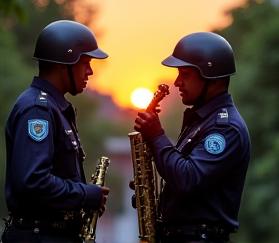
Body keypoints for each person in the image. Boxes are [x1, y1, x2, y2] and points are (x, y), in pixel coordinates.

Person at [134, 32, 251, 243]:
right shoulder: (201, 120)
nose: (177, 82)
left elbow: (188, 179)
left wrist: (156, 135)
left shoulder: (224, 129)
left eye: (185, 74)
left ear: (212, 79)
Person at [1, 20, 110, 243]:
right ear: (64, 64)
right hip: (40, 237)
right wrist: (85, 195)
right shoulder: (38, 110)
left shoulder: (52, 107)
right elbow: (33, 181)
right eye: (86, 62)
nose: (89, 71)